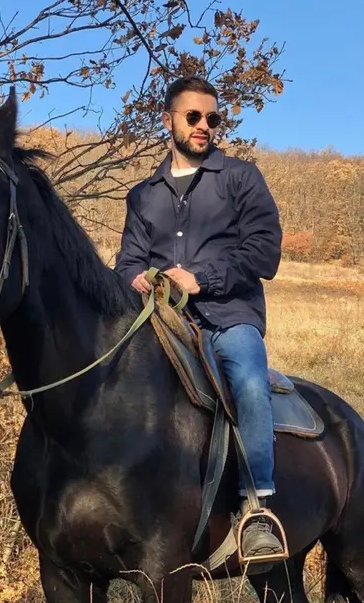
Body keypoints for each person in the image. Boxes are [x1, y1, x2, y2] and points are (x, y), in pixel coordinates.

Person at [114, 75, 284, 559]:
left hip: (229, 315)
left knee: (249, 383)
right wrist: (136, 279)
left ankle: (257, 509)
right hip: (160, 322)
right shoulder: (143, 195)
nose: (203, 125)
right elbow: (127, 262)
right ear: (168, 120)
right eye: (193, 116)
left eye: (212, 117)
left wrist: (200, 278)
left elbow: (264, 251)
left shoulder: (240, 178)